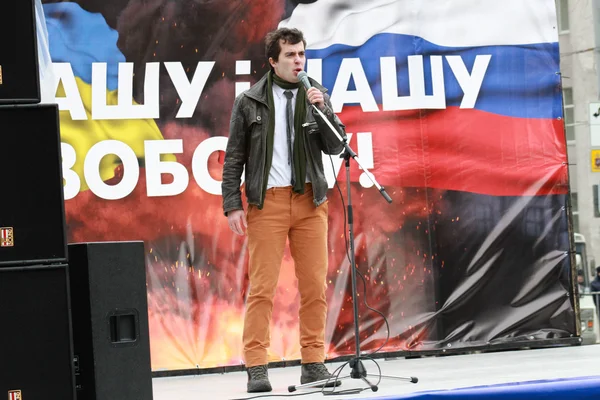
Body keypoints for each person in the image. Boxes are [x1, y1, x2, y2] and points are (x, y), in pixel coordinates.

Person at [221, 27, 345, 393]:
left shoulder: (316, 94)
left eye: (301, 54)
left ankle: (313, 363)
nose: (298, 61)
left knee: (314, 288)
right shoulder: (249, 101)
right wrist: (232, 205)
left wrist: (322, 108)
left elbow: (337, 147)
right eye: (290, 55)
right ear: (272, 61)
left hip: (310, 201)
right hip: (268, 202)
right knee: (262, 289)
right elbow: (234, 158)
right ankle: (257, 367)